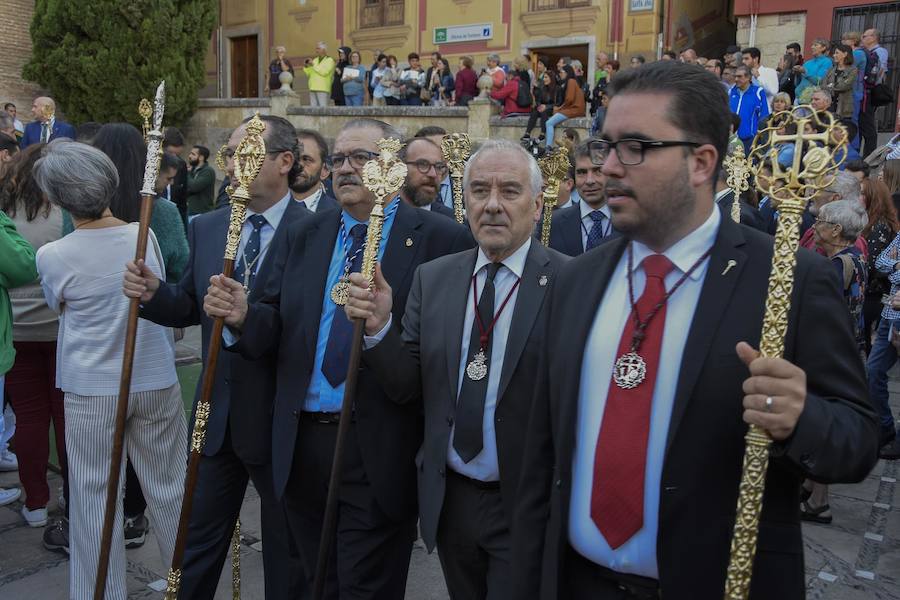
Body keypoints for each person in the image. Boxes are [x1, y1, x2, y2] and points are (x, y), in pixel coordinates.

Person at [512, 59, 879, 600]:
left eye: (635, 147)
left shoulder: (789, 280)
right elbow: (542, 450)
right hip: (576, 582)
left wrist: (801, 418)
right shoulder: (577, 280)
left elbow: (856, 438)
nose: (609, 166)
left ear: (701, 161)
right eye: (605, 144)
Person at [204, 118, 473, 598]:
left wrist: (381, 330)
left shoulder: (439, 239)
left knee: (364, 587)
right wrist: (244, 316)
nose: (346, 169)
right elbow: (272, 323)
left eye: (362, 158)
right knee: (313, 581)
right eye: (339, 159)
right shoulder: (306, 232)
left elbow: (439, 360)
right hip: (302, 442)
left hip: (376, 447)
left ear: (392, 164)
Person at [345, 138, 568, 598]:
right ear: (463, 201)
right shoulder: (436, 277)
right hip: (452, 500)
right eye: (479, 191)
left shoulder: (571, 281)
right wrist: (380, 327)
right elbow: (408, 385)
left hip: (527, 503)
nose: (492, 205)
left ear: (538, 203)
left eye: (509, 191)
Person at [123, 114, 310, 600]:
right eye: (229, 155)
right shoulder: (207, 226)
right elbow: (189, 303)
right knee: (195, 542)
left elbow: (302, 329)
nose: (233, 166)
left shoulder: (316, 230)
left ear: (285, 161)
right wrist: (153, 294)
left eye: (246, 155)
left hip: (278, 420)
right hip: (214, 416)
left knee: (286, 550)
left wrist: (248, 317)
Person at [33, 141, 187, 598]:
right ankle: (185, 580)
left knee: (95, 497)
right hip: (150, 375)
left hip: (96, 385)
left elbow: (56, 305)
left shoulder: (56, 254)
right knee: (169, 487)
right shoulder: (141, 236)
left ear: (58, 199)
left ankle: (105, 592)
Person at [1, 145, 70, 540]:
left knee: (27, 418)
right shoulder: (64, 213)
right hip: (59, 328)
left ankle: (35, 503)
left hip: (17, 330)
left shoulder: (5, 214)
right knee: (63, 416)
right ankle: (71, 496)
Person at [801, 199, 869, 523]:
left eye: (822, 222)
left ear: (836, 230)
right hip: (845, 349)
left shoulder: (836, 266)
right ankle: (809, 487)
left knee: (821, 423)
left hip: (829, 354)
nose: (815, 227)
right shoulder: (855, 257)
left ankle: (819, 502)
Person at [548, 140, 620, 256]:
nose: (589, 180)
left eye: (598, 171)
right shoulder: (551, 224)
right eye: (582, 172)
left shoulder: (633, 222)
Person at [860, 176, 898, 355]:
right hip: (876, 293)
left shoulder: (879, 226)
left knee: (870, 348)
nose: (857, 197)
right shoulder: (868, 222)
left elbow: (874, 264)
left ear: (872, 197)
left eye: (861, 193)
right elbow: (881, 260)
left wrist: (891, 265)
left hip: (876, 294)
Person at [397, 137, 453, 217]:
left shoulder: (453, 223)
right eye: (423, 164)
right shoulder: (379, 214)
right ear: (400, 167)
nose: (433, 174)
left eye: (438, 166)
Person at [860, 28, 890, 158]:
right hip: (865, 92)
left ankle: (869, 157)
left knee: (869, 126)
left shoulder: (880, 51)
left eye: (864, 36)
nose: (862, 38)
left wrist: (873, 85)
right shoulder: (866, 52)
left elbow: (881, 70)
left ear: (873, 38)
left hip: (870, 92)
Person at [292, 128, 337, 213]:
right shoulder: (267, 207)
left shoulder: (338, 214)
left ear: (324, 170)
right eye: (294, 158)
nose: (298, 165)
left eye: (307, 159)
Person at [729, 65, 770, 153]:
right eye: (735, 76)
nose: (736, 79)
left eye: (739, 76)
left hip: (749, 141)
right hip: (730, 139)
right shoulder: (731, 92)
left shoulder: (758, 92)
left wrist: (759, 139)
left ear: (748, 78)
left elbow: (764, 117)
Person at [414, 126, 453, 210]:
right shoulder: (409, 186)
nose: (441, 154)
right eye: (433, 149)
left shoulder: (464, 183)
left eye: (445, 149)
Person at [546, 64, 585, 149]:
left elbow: (569, 99)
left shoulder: (571, 81)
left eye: (561, 72)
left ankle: (548, 147)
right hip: (575, 109)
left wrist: (559, 109)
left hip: (574, 109)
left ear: (567, 73)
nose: (560, 74)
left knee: (549, 123)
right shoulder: (572, 81)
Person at [162, 127, 189, 228]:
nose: (174, 159)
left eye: (177, 155)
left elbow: (182, 200)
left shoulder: (181, 165)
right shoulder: (149, 165)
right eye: (170, 153)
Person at [823, 44, 858, 120]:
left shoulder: (852, 70)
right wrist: (831, 86)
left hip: (844, 107)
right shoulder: (831, 70)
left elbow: (844, 86)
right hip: (830, 106)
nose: (834, 55)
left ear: (845, 54)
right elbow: (823, 86)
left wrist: (831, 86)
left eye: (837, 53)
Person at [794, 38, 832, 104]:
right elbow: (797, 83)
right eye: (812, 45)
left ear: (823, 48)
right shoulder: (807, 63)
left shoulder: (827, 62)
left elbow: (819, 81)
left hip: (813, 100)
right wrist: (797, 73)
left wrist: (805, 72)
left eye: (815, 45)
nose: (812, 47)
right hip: (798, 98)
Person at [524, 70, 556, 140]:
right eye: (544, 77)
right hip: (542, 107)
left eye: (546, 77)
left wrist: (546, 107)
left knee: (544, 113)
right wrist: (539, 106)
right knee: (534, 112)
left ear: (551, 78)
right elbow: (539, 100)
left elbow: (557, 103)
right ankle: (527, 133)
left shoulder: (556, 89)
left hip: (551, 108)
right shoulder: (543, 88)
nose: (544, 79)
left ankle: (543, 133)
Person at [186, 144, 216, 217]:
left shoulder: (208, 171)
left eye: (193, 154)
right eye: (190, 153)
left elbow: (194, 187)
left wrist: (187, 173)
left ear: (201, 157)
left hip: (200, 214)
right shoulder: (192, 170)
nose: (189, 156)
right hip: (189, 212)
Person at [304, 42, 337, 107]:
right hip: (312, 87)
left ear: (324, 50)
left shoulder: (329, 60)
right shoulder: (315, 60)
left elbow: (324, 72)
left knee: (322, 108)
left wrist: (313, 64)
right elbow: (309, 73)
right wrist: (306, 66)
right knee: (313, 109)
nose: (316, 50)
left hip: (322, 87)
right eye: (316, 49)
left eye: (318, 48)